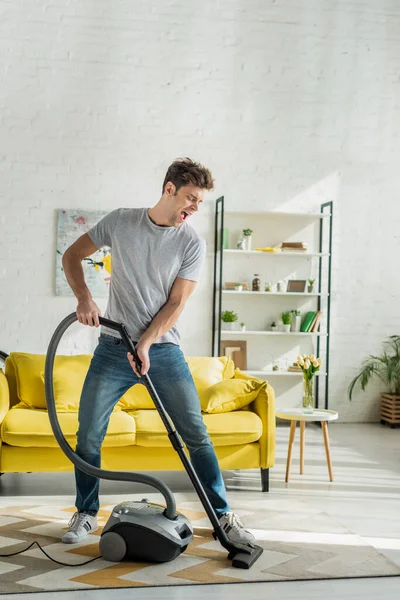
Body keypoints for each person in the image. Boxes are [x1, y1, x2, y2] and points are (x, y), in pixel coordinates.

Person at [61, 158, 255, 545]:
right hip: (113, 348)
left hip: (163, 351)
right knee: (88, 437)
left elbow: (176, 303)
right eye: (191, 199)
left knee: (196, 434)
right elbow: (71, 256)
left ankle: (222, 517)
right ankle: (85, 513)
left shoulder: (191, 242)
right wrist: (85, 298)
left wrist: (147, 343)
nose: (195, 209)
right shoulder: (120, 221)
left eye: (199, 202)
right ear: (169, 189)